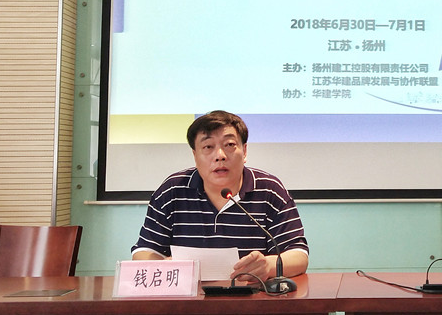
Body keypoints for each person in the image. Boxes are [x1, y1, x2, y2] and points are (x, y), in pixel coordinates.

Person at [131, 110, 309, 283]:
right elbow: (144, 251)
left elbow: (298, 255)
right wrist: (164, 266)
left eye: (229, 145)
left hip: (253, 297)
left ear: (244, 151)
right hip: (188, 298)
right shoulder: (172, 191)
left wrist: (268, 266)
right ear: (195, 155)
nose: (220, 156)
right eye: (208, 147)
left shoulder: (270, 190)